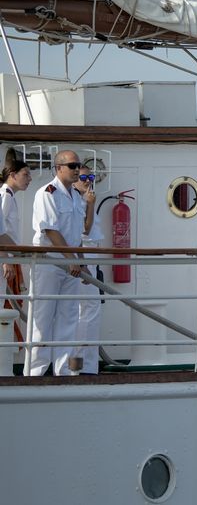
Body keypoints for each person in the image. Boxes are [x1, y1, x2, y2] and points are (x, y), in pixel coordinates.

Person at [26, 150, 88, 376]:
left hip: (70, 266)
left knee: (68, 318)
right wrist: (71, 260)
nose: (77, 170)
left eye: (78, 165)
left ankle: (62, 372)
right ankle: (35, 374)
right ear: (59, 168)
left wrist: (83, 263)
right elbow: (51, 231)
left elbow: (76, 235)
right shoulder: (47, 193)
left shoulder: (75, 196)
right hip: (50, 265)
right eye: (72, 165)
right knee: (42, 319)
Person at [73, 165, 104, 374]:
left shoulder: (80, 198)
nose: (87, 180)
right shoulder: (79, 200)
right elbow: (84, 228)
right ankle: (84, 365)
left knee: (85, 311)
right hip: (82, 257)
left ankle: (84, 363)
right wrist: (91, 204)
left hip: (90, 257)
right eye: (83, 177)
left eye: (90, 177)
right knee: (88, 310)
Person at [1, 154, 32, 340]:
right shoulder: (4, 196)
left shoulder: (9, 197)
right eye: (26, 174)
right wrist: (6, 261)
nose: (29, 179)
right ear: (12, 174)